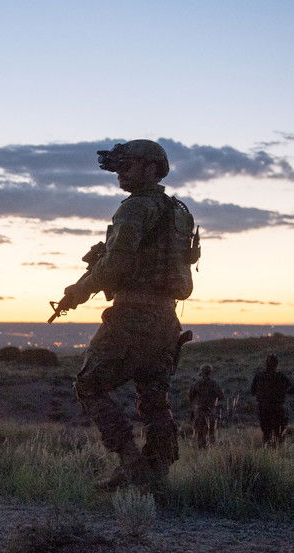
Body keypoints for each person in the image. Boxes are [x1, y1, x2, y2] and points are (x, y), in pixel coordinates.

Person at [61, 139, 198, 489]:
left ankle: (132, 465)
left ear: (152, 168)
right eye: (118, 167)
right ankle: (158, 476)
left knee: (89, 385)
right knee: (154, 398)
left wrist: (79, 291)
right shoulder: (179, 211)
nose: (120, 173)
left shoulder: (135, 208)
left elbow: (116, 265)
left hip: (133, 315)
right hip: (166, 319)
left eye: (128, 165)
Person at [249, 354, 294, 446]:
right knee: (279, 433)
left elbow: (252, 391)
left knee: (266, 432)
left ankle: (267, 448)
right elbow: (292, 390)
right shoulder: (281, 376)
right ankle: (277, 450)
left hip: (263, 408)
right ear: (276, 364)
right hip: (277, 408)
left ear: (266, 363)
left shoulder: (259, 376)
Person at [188, 364, 224, 449]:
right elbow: (221, 396)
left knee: (200, 434)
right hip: (211, 412)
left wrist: (196, 405)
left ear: (202, 373)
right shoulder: (214, 384)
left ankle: (201, 452)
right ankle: (211, 452)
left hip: (200, 412)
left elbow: (190, 397)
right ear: (210, 373)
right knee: (211, 434)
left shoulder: (197, 383)